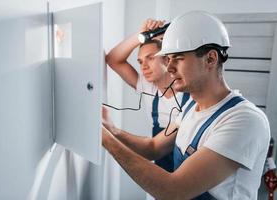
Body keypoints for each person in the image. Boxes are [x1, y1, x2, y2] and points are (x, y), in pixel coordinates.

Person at [102, 10, 270, 200]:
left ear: (211, 59)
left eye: (179, 58)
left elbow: (175, 190)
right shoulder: (191, 109)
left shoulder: (244, 120)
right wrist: (111, 131)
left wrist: (106, 140)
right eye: (168, 59)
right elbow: (153, 147)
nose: (170, 67)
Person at [106, 19, 189, 173]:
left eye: (150, 58)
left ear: (167, 59)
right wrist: (141, 34)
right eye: (140, 61)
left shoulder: (191, 94)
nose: (143, 66)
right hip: (160, 166)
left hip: (187, 168)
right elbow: (112, 59)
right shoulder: (147, 86)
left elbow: (153, 147)